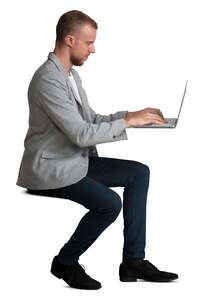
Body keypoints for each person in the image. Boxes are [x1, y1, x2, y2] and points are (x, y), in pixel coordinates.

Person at [16, 10, 178, 290]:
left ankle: (133, 262)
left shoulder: (69, 76)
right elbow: (81, 134)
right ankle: (65, 262)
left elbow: (89, 120)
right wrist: (127, 122)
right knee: (109, 204)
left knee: (139, 173)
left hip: (73, 160)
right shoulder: (48, 80)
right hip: (49, 169)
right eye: (89, 42)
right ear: (69, 40)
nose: (93, 49)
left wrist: (134, 114)